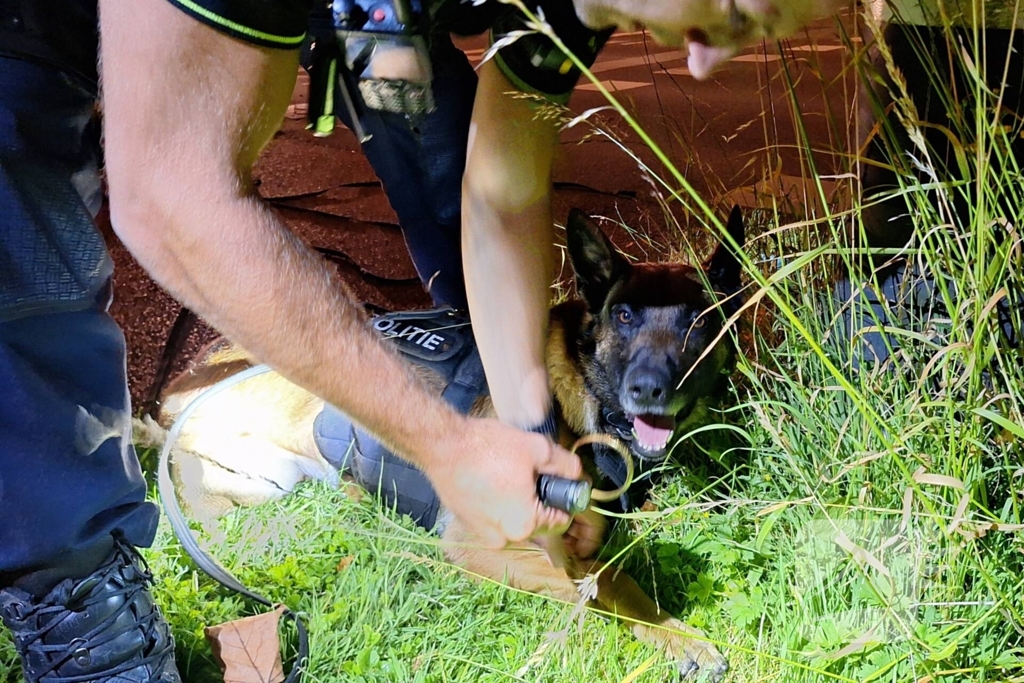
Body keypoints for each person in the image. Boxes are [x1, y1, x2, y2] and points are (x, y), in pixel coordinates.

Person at [0, 0, 844, 681]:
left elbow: (503, 195)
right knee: (27, 235)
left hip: (372, 18)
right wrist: (443, 443)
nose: (701, 60)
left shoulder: (563, 18)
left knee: (418, 101)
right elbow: (172, 199)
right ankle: (72, 591)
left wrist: (525, 429)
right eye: (730, 11)